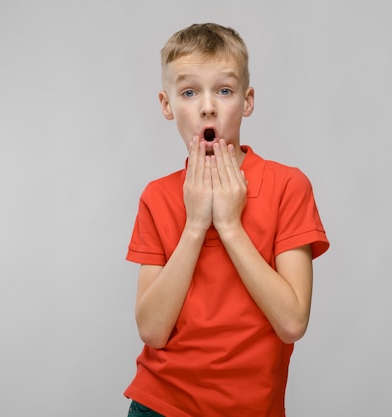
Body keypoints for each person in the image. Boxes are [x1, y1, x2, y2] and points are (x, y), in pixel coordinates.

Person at [124, 22, 330, 417]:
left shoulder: (287, 185)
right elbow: (151, 330)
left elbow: (292, 322)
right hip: (161, 405)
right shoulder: (156, 196)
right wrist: (196, 224)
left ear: (247, 100)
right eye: (188, 92)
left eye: (224, 90)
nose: (207, 106)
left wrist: (231, 226)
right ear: (167, 105)